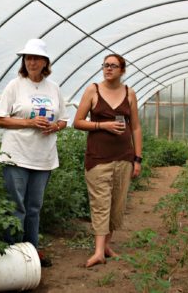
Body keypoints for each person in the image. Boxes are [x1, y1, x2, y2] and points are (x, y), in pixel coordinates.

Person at [0, 38, 69, 267]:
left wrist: (54, 126)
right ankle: (12, 256)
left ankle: (32, 254)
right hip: (16, 155)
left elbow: (64, 119)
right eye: (28, 58)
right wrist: (29, 123)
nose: (31, 62)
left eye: (36, 58)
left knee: (34, 208)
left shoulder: (53, 88)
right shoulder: (14, 86)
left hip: (43, 157)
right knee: (16, 207)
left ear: (45, 62)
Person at [73, 53, 143, 268]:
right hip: (98, 159)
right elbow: (77, 122)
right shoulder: (92, 90)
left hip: (123, 158)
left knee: (116, 205)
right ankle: (97, 252)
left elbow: (136, 127)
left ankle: (106, 247)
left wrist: (137, 158)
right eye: (105, 65)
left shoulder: (129, 93)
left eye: (113, 66)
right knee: (100, 203)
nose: (108, 69)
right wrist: (103, 126)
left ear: (122, 70)